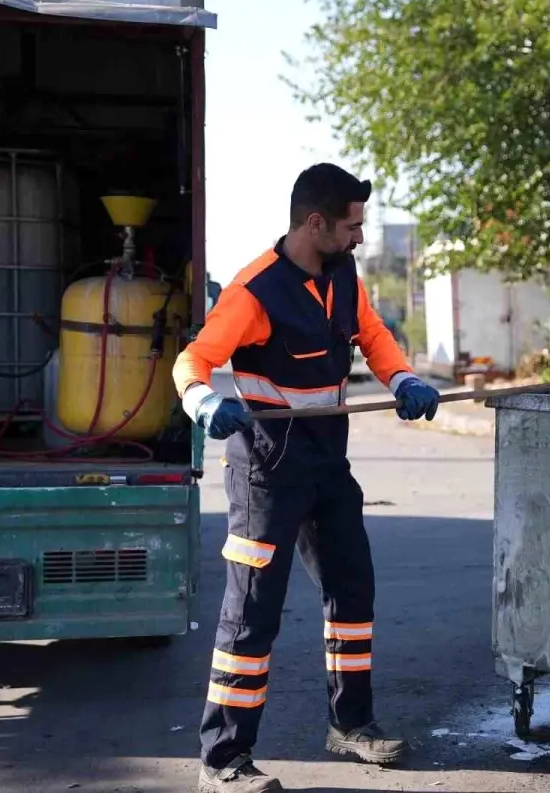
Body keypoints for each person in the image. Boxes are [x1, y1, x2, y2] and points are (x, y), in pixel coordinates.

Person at [172, 163, 441, 793]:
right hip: (267, 471)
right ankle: (224, 759)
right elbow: (195, 360)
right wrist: (204, 401)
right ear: (314, 222)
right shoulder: (255, 290)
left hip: (327, 465)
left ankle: (352, 724)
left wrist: (402, 379)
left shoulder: (343, 273)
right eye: (352, 226)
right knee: (251, 614)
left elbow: (370, 334)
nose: (360, 238)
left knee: (353, 591)